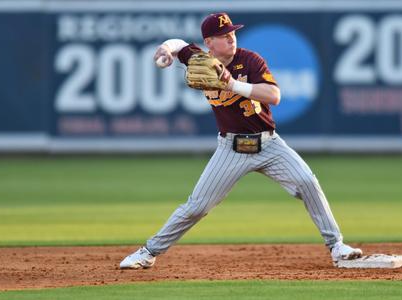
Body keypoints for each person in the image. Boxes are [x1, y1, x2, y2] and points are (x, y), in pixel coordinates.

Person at [120, 12, 362, 269]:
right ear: (209, 42)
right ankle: (148, 252)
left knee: (307, 182)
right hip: (231, 148)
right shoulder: (201, 58)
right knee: (197, 207)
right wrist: (166, 50)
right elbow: (178, 44)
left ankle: (337, 246)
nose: (231, 38)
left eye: (232, 33)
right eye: (224, 36)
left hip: (269, 144)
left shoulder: (249, 60)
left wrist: (233, 85)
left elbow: (274, 95)